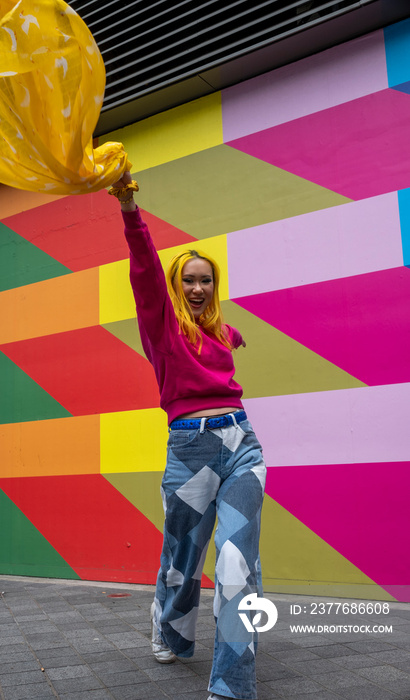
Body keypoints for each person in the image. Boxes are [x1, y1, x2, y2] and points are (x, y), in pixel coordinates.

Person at [109, 171, 267, 700]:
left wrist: (233, 333)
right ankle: (170, 631)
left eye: (206, 280)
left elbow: (222, 336)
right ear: (175, 288)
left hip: (241, 445)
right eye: (188, 280)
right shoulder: (162, 326)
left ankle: (230, 686)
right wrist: (131, 210)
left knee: (237, 564)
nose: (197, 288)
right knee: (183, 557)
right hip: (191, 450)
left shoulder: (217, 330)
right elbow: (146, 272)